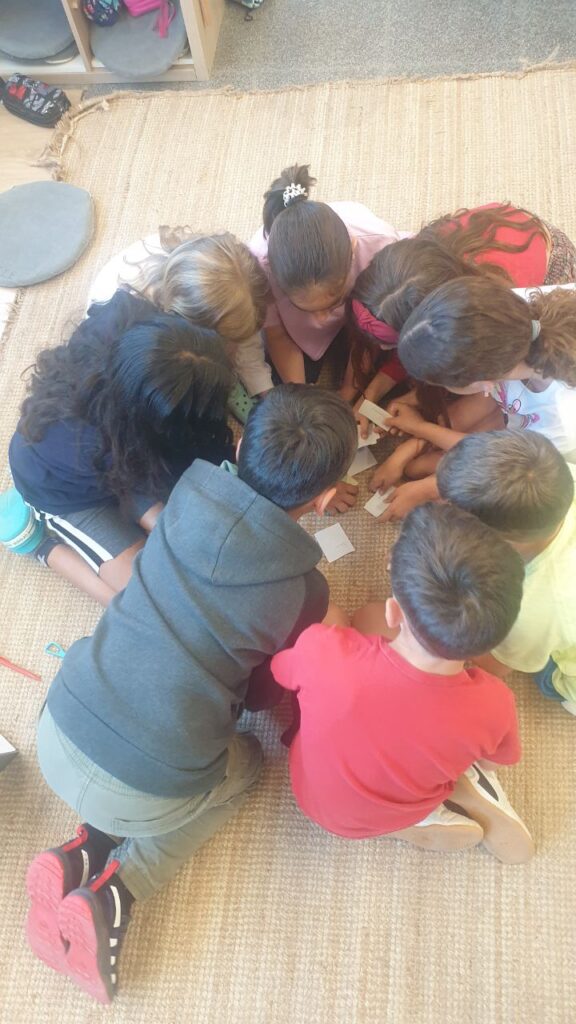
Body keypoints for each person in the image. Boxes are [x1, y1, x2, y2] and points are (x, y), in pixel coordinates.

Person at [25, 385, 358, 1004]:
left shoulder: (181, 495)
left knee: (143, 722)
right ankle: (117, 892)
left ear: (241, 442)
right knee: (247, 764)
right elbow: (258, 701)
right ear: (324, 497)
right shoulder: (305, 592)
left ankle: (88, 845)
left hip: (59, 724)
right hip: (148, 780)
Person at [270, 503, 533, 864]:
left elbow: (281, 671)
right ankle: (447, 795)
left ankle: (415, 822)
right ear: (488, 645)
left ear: (394, 611)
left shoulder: (322, 650)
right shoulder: (496, 703)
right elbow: (496, 760)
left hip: (317, 801)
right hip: (412, 791)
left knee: (343, 615)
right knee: (456, 749)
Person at [9, 289, 234, 605]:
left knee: (184, 534)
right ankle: (44, 548)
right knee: (148, 597)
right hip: (62, 491)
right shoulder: (90, 444)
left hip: (121, 460)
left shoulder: (127, 318)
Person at [349, 203, 576, 427]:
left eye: (391, 342)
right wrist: (369, 397)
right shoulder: (410, 269)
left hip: (549, 266)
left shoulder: (494, 312)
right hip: (513, 232)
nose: (384, 348)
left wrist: (419, 408)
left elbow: (477, 366)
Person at [370, 279, 576, 519]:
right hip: (517, 417)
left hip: (539, 462)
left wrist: (428, 488)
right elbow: (487, 403)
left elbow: (509, 465)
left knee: (429, 476)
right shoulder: (502, 318)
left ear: (484, 383)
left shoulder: (563, 415)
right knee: (419, 466)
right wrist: (412, 443)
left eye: (443, 384)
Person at [437, 430, 576, 714]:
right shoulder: (560, 476)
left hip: (566, 664)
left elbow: (498, 665)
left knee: (543, 671)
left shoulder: (530, 611)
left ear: (502, 541)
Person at [249, 163, 409, 388]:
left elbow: (372, 328)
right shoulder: (258, 268)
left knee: (400, 350)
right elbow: (277, 335)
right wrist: (303, 395)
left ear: (353, 249)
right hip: (302, 332)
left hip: (366, 313)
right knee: (284, 386)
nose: (322, 319)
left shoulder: (380, 244)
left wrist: (349, 394)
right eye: (305, 309)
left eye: (335, 301)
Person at [88, 228, 272, 422]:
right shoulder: (136, 330)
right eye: (230, 345)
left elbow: (247, 342)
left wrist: (265, 389)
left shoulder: (210, 272)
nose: (236, 351)